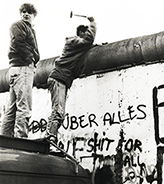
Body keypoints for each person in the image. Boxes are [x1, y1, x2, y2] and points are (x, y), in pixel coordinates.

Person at [46, 16, 97, 144]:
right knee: (58, 111)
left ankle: (51, 137)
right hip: (58, 79)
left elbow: (86, 46)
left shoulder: (76, 46)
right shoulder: (73, 41)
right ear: (81, 33)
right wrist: (92, 22)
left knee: (60, 113)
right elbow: (88, 40)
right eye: (85, 33)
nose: (87, 36)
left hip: (61, 79)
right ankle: (50, 138)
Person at [0, 3, 39, 138]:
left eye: (29, 12)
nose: (26, 14)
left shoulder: (28, 29)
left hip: (16, 69)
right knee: (24, 107)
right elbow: (18, 42)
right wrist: (30, 59)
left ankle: (4, 140)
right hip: (22, 68)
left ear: (33, 15)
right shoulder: (19, 25)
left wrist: (35, 58)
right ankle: (21, 140)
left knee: (11, 109)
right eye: (23, 12)